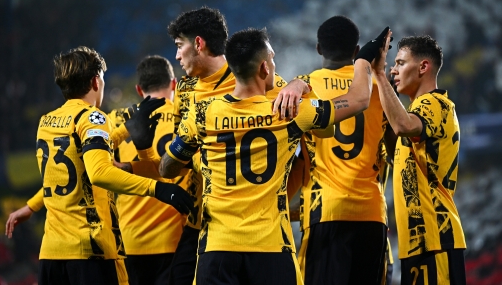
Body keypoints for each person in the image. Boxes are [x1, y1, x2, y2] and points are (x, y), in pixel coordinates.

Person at [159, 26, 389, 285]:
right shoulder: (289, 112)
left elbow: (167, 168)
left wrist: (189, 154)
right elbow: (358, 100)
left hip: (218, 246)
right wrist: (362, 60)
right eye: (272, 59)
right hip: (271, 247)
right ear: (265, 69)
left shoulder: (203, 114)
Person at [164, 6, 309, 285]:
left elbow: (295, 134)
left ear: (198, 44)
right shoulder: (184, 89)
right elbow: (178, 150)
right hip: (204, 221)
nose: (177, 55)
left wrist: (299, 83)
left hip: (256, 228)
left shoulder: (253, 78)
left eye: (179, 46)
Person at [28, 46, 193, 285]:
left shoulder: (47, 121)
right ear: (96, 81)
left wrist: (31, 206)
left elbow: (68, 167)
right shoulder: (94, 117)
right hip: (90, 247)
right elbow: (99, 172)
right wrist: (159, 189)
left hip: (52, 251)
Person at [294, 16, 390, 285]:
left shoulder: (304, 87)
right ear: (357, 51)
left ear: (318, 48)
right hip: (372, 211)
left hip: (326, 211)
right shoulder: (379, 89)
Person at [372, 35, 466, 284]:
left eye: (400, 63)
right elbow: (399, 157)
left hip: (435, 238)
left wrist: (379, 75)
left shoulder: (435, 103)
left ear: (423, 67)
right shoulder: (417, 113)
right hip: (419, 243)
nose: (393, 69)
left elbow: (402, 126)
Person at [108, 55, 190, 285]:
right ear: (173, 84)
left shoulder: (117, 120)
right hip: (175, 241)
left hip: (129, 240)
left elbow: (96, 162)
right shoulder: (187, 119)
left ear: (138, 89)